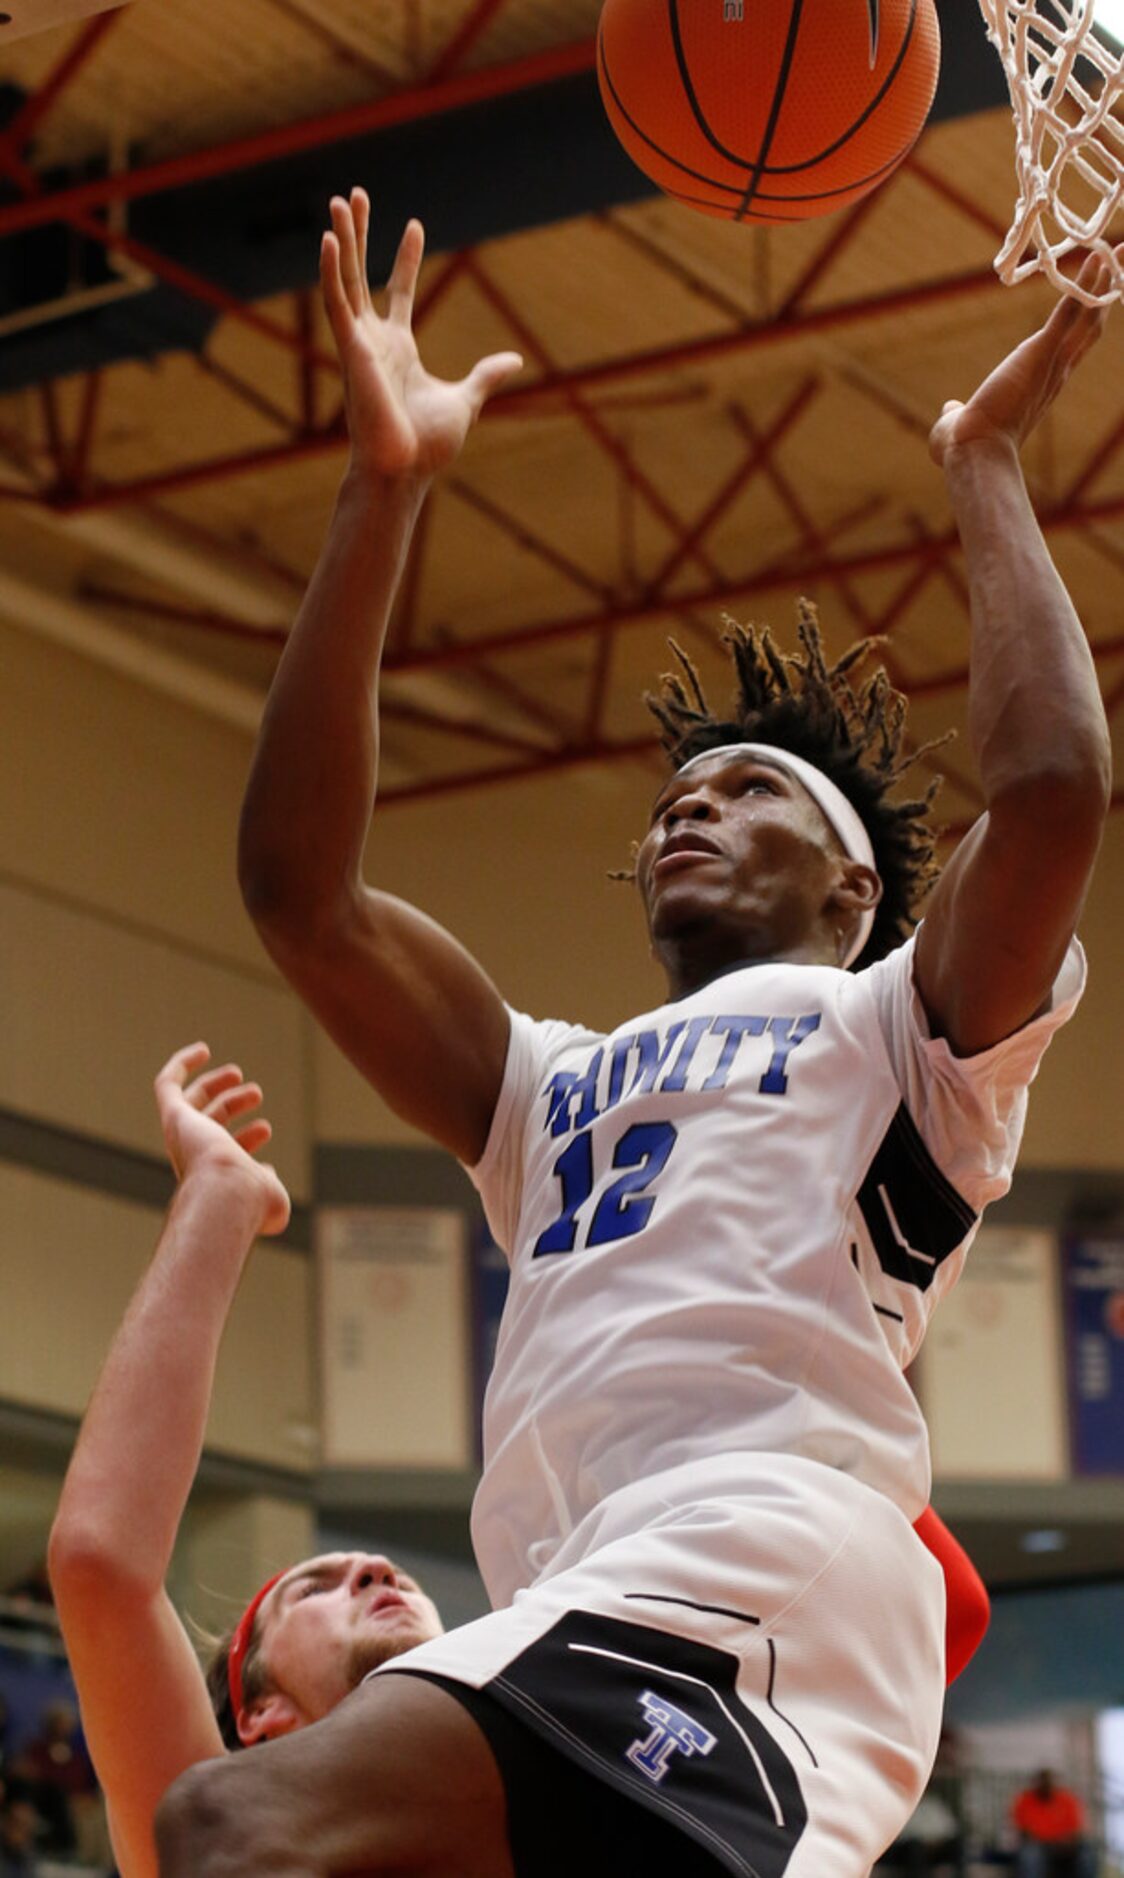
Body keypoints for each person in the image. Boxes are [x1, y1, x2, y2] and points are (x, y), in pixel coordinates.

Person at [154, 192, 1110, 1878]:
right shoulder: (545, 1084)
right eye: (677, 792)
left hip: (761, 1549)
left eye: (747, 792)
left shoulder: (895, 1023)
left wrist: (977, 466)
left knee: (235, 1820)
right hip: (584, 1583)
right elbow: (299, 894)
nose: (689, 807)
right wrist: (381, 493)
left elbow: (1043, 794)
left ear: (847, 884)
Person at [47, 1043, 445, 1878]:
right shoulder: (236, 1846)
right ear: (259, 1711)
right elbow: (101, 1564)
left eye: (364, 1572)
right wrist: (218, 1195)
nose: (375, 1568)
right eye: (317, 1584)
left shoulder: (550, 1777)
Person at [1011, 1769, 1095, 1878]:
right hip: (1038, 1845)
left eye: (1049, 1782)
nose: (1046, 1785)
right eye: (1042, 1782)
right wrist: (1041, 1840)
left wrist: (1066, 1841)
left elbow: (1077, 1829)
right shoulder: (1025, 1800)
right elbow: (1023, 1830)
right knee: (1029, 1855)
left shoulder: (1067, 1800)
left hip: (1065, 1846)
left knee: (1086, 1854)